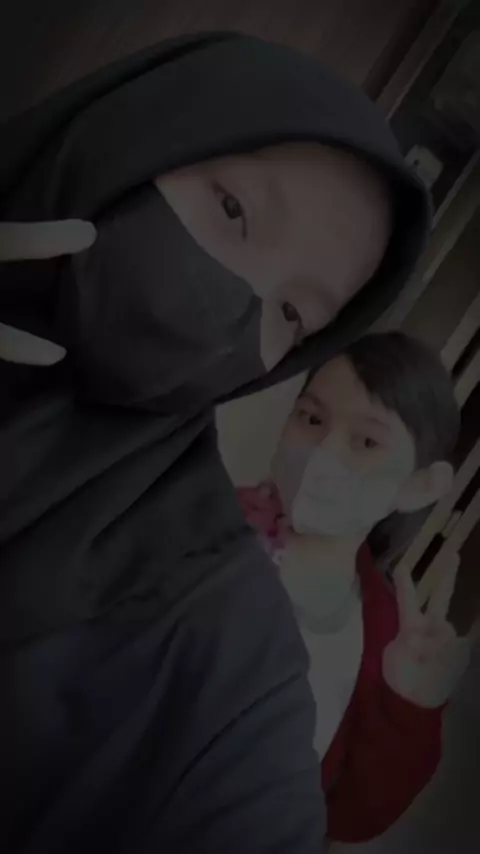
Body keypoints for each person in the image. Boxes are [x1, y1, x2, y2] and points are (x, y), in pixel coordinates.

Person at [0, 33, 430, 854]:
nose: (235, 306)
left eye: (293, 313)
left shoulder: (219, 630)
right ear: (126, 132)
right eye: (233, 211)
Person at [238, 332, 470, 844]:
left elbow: (350, 819)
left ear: (418, 487)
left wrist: (410, 710)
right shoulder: (203, 524)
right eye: (311, 419)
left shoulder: (386, 637)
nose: (322, 452)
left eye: (366, 442)